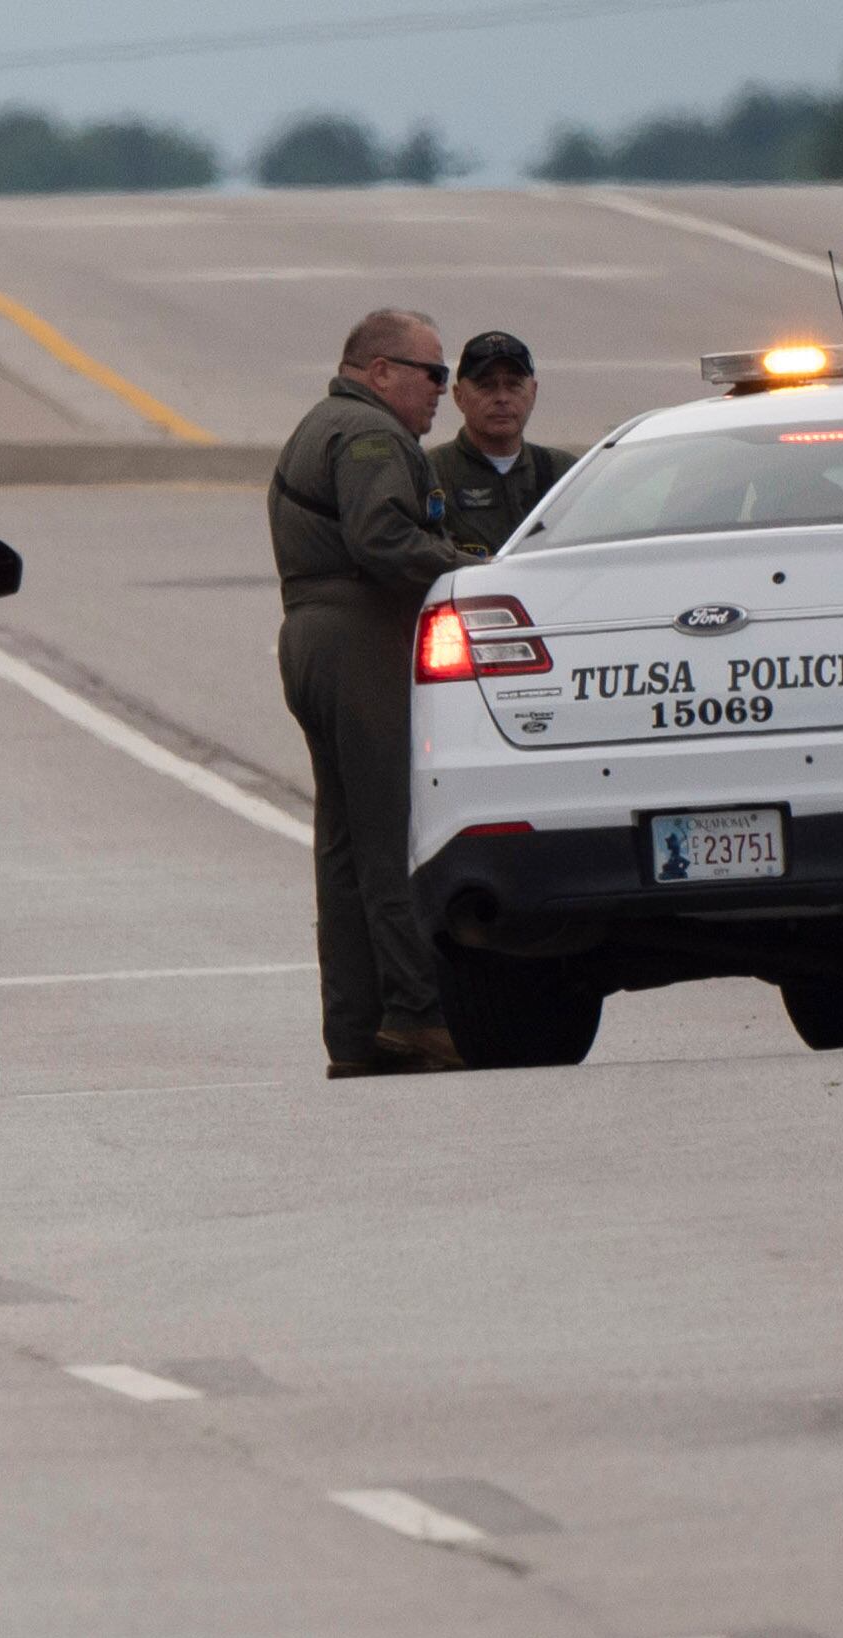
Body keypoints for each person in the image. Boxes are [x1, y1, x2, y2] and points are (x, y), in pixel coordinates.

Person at [272, 308, 476, 1079]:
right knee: (390, 836)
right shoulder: (368, 435)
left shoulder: (323, 423)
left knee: (347, 847)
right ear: (381, 370)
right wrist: (465, 570)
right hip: (359, 636)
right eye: (433, 374)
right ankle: (418, 1014)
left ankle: (357, 1032)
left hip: (315, 634)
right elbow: (382, 539)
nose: (442, 392)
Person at [429, 331, 574, 556]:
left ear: (533, 392)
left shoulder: (566, 473)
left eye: (514, 385)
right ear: (459, 396)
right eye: (486, 386)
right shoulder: (429, 473)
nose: (502, 398)